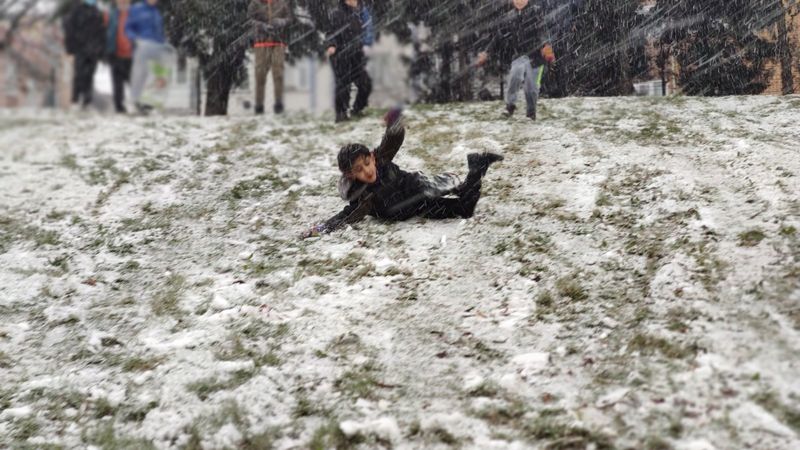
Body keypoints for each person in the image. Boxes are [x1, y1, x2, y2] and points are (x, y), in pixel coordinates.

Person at [301, 109, 504, 238]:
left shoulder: (380, 159)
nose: (367, 171)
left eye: (367, 163)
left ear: (372, 157)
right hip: (418, 208)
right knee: (465, 209)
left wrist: (395, 119)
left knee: (452, 191)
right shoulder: (362, 195)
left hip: (417, 186)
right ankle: (477, 166)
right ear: (350, 176)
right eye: (359, 170)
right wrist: (320, 229)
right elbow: (347, 216)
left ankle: (470, 172)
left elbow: (393, 139)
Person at [477, 0, 555, 121]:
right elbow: (498, 37)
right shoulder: (509, 17)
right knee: (515, 76)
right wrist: (486, 52)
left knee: (531, 87)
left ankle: (531, 113)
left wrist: (546, 45)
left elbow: (543, 30)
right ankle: (510, 106)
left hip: (536, 57)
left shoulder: (536, 12)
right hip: (519, 55)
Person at [325, 0, 372, 123]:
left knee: (365, 83)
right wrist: (331, 45)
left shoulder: (359, 13)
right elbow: (330, 32)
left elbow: (364, 33)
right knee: (343, 85)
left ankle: (357, 109)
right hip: (340, 54)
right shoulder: (336, 14)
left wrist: (364, 47)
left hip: (356, 55)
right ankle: (341, 114)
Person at [248, 0, 292, 115]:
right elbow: (249, 20)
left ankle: (278, 104)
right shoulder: (255, 3)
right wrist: (262, 26)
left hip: (278, 42)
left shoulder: (282, 3)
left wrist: (281, 22)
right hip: (261, 42)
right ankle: (259, 105)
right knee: (260, 75)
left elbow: (289, 19)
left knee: (278, 73)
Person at [125, 0, 166, 114]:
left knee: (154, 77)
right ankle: (134, 103)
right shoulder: (137, 9)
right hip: (142, 48)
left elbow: (159, 32)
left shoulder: (156, 12)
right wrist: (136, 39)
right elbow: (128, 28)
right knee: (139, 76)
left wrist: (163, 43)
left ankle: (147, 104)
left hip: (156, 48)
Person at [64, 0, 106, 109]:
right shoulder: (77, 10)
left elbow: (102, 33)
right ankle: (75, 99)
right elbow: (70, 30)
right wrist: (70, 48)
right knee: (79, 74)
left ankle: (87, 101)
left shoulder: (97, 12)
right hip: (80, 48)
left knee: (90, 75)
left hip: (94, 50)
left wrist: (101, 51)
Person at [106, 0, 133, 113]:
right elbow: (108, 32)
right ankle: (119, 106)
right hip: (115, 53)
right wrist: (108, 50)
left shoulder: (134, 14)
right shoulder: (112, 14)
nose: (122, 2)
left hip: (131, 54)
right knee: (117, 82)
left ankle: (141, 104)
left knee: (134, 80)